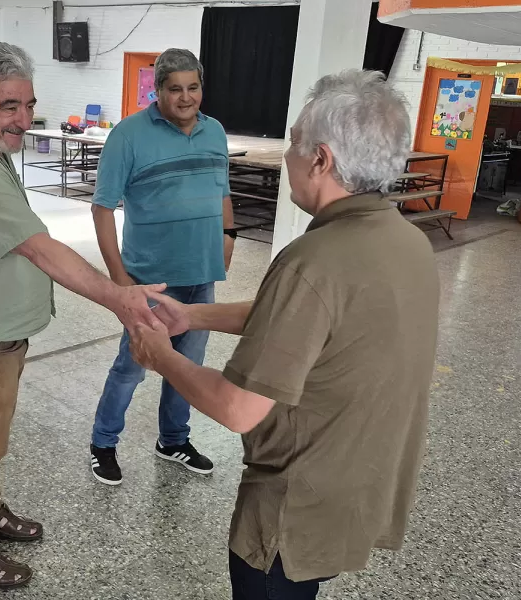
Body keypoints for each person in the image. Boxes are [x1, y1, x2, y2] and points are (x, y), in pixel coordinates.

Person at [130, 70, 440, 599]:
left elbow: (238, 409)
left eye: (294, 143)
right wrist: (193, 317)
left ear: (321, 159)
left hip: (294, 504)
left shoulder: (313, 260)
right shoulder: (407, 241)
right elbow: (308, 318)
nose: (288, 156)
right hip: (360, 481)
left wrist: (160, 355)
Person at [0, 41, 164, 590]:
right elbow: (39, 248)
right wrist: (117, 296)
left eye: (28, 104)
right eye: (9, 106)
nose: (24, 119)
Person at [88, 48, 235, 485]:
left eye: (193, 87)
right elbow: (102, 208)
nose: (186, 97)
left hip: (201, 277)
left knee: (187, 367)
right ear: (158, 91)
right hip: (150, 281)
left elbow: (222, 190)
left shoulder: (215, 131)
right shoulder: (128, 136)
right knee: (132, 366)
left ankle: (173, 440)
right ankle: (103, 444)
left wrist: (229, 236)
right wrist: (120, 280)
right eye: (175, 89)